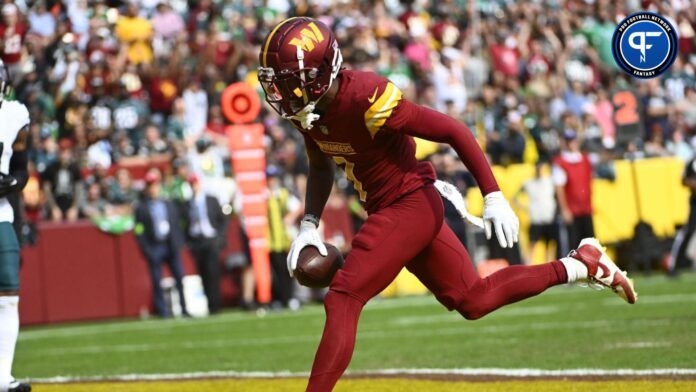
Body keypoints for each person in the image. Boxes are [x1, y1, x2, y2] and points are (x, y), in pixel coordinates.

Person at [258, 18, 636, 391]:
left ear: (323, 71)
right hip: (396, 208)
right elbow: (320, 164)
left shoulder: (367, 97)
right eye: (278, 82)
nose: (283, 92)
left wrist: (492, 194)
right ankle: (579, 264)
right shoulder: (309, 110)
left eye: (291, 81)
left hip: (408, 204)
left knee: (343, 297)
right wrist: (309, 224)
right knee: (474, 299)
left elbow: (453, 130)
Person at [0, 61, 31, 392]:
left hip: (0, 214)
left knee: (8, 295)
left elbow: (22, 169)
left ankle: (2, 378)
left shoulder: (14, 115)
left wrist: (10, 183)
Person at [134, 169, 189, 318]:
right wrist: (146, 250)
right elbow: (138, 230)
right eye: (150, 186)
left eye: (155, 186)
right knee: (157, 280)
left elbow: (177, 224)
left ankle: (184, 308)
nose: (153, 189)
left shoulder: (168, 204)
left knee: (179, 277)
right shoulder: (141, 208)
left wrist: (178, 243)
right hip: (155, 246)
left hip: (170, 244)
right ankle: (163, 311)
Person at [184, 174, 225, 314]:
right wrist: (189, 242)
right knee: (203, 274)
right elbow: (185, 224)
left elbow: (222, 219)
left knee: (213, 273)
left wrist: (220, 237)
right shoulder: (188, 203)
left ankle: (216, 305)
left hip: (211, 239)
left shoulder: (211, 200)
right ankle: (209, 304)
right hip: (197, 241)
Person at [552, 130, 595, 253]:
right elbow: (559, 188)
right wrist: (565, 209)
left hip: (586, 208)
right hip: (572, 211)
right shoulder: (561, 162)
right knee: (573, 246)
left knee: (590, 243)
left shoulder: (584, 159)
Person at [514, 162, 559, 263]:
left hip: (549, 218)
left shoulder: (549, 181)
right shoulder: (529, 183)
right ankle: (528, 266)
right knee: (532, 245)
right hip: (536, 219)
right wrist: (525, 208)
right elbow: (515, 197)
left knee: (549, 246)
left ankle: (549, 266)